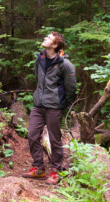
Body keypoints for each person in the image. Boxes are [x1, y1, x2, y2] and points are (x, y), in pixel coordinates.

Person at [22, 31, 76, 185]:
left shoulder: (65, 64)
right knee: (32, 135)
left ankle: (56, 171)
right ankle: (39, 168)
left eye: (49, 38)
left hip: (54, 107)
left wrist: (61, 104)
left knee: (55, 139)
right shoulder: (40, 59)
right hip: (38, 105)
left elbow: (71, 88)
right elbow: (38, 78)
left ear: (55, 45)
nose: (45, 38)